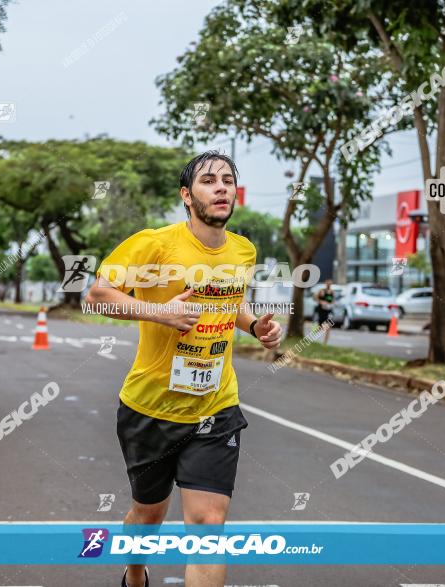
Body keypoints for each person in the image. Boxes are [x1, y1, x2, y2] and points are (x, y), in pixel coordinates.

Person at [86, 151, 282, 587]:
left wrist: (254, 326)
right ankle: (135, 573)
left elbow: (230, 302)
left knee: (209, 525)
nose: (221, 188)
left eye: (228, 180)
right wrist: (160, 313)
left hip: (215, 405)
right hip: (150, 408)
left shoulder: (243, 250)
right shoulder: (155, 244)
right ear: (186, 196)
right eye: (209, 180)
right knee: (149, 512)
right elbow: (98, 294)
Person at [314, 279, 336, 345]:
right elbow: (315, 297)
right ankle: (312, 337)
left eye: (330, 282)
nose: (329, 284)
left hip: (328, 311)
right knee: (320, 327)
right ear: (325, 283)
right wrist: (321, 302)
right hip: (321, 310)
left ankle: (325, 343)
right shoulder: (322, 291)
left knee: (328, 326)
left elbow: (333, 300)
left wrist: (331, 304)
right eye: (328, 282)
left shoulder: (332, 292)